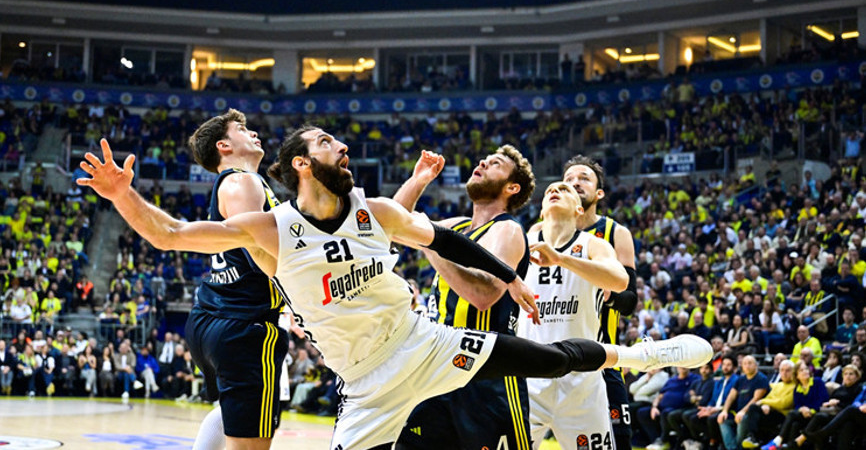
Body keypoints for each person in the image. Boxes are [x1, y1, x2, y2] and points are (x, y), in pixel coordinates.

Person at [77, 131, 712, 450]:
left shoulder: (373, 209)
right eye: (328, 143)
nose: (343, 148)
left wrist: (512, 277)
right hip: (366, 385)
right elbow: (170, 234)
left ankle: (639, 356)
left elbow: (445, 239)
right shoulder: (272, 228)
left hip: (425, 343)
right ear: (302, 163)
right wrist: (123, 195)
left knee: (546, 359)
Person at [393, 146, 538, 450]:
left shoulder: (507, 230)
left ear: (512, 187)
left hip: (488, 375)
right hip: (439, 367)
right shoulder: (455, 227)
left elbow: (483, 295)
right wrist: (418, 180)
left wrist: (431, 245)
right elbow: (391, 226)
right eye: (485, 159)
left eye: (495, 163)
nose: (483, 161)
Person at [180, 109, 288, 450]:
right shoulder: (242, 181)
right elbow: (259, 249)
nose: (253, 133)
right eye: (242, 129)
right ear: (224, 146)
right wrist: (301, 293)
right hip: (244, 325)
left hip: (214, 316)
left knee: (228, 414)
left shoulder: (232, 185)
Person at [531, 154, 639, 450]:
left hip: (598, 355)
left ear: (598, 193)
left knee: (619, 440)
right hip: (540, 356)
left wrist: (604, 288)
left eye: (583, 179)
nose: (574, 183)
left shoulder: (612, 235)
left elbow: (629, 299)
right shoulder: (535, 235)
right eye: (568, 179)